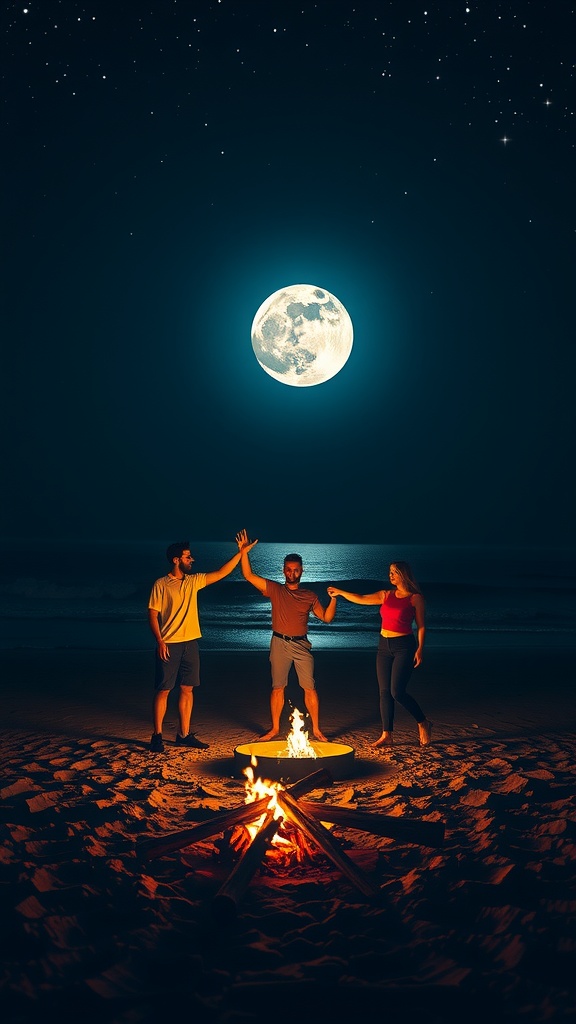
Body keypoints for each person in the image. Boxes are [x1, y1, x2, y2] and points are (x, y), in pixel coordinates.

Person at [148, 534, 245, 753]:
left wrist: (241, 553)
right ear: (176, 560)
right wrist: (160, 641)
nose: (192, 560)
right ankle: (157, 736)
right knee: (163, 690)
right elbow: (152, 614)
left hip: (190, 643)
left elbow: (222, 573)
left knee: (187, 689)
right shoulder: (161, 584)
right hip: (169, 644)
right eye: (188, 557)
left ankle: (184, 735)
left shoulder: (193, 581)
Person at [237, 529, 337, 742]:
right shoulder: (274, 589)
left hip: (302, 646)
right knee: (277, 687)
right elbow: (248, 575)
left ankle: (317, 730)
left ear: (302, 571)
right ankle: (274, 729)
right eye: (289, 570)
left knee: (309, 687)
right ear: (283, 571)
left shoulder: (309, 595)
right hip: (279, 643)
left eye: (296, 570)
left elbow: (327, 618)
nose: (292, 573)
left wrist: (335, 598)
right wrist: (244, 552)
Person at [327, 561, 432, 748]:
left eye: (394, 572)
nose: (390, 575)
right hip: (383, 646)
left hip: (404, 646)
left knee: (397, 692)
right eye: (390, 572)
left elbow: (421, 625)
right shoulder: (386, 595)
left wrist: (420, 648)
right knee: (384, 692)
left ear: (403, 574)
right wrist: (341, 592)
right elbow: (361, 597)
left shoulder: (415, 598)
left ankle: (423, 722)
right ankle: (387, 735)